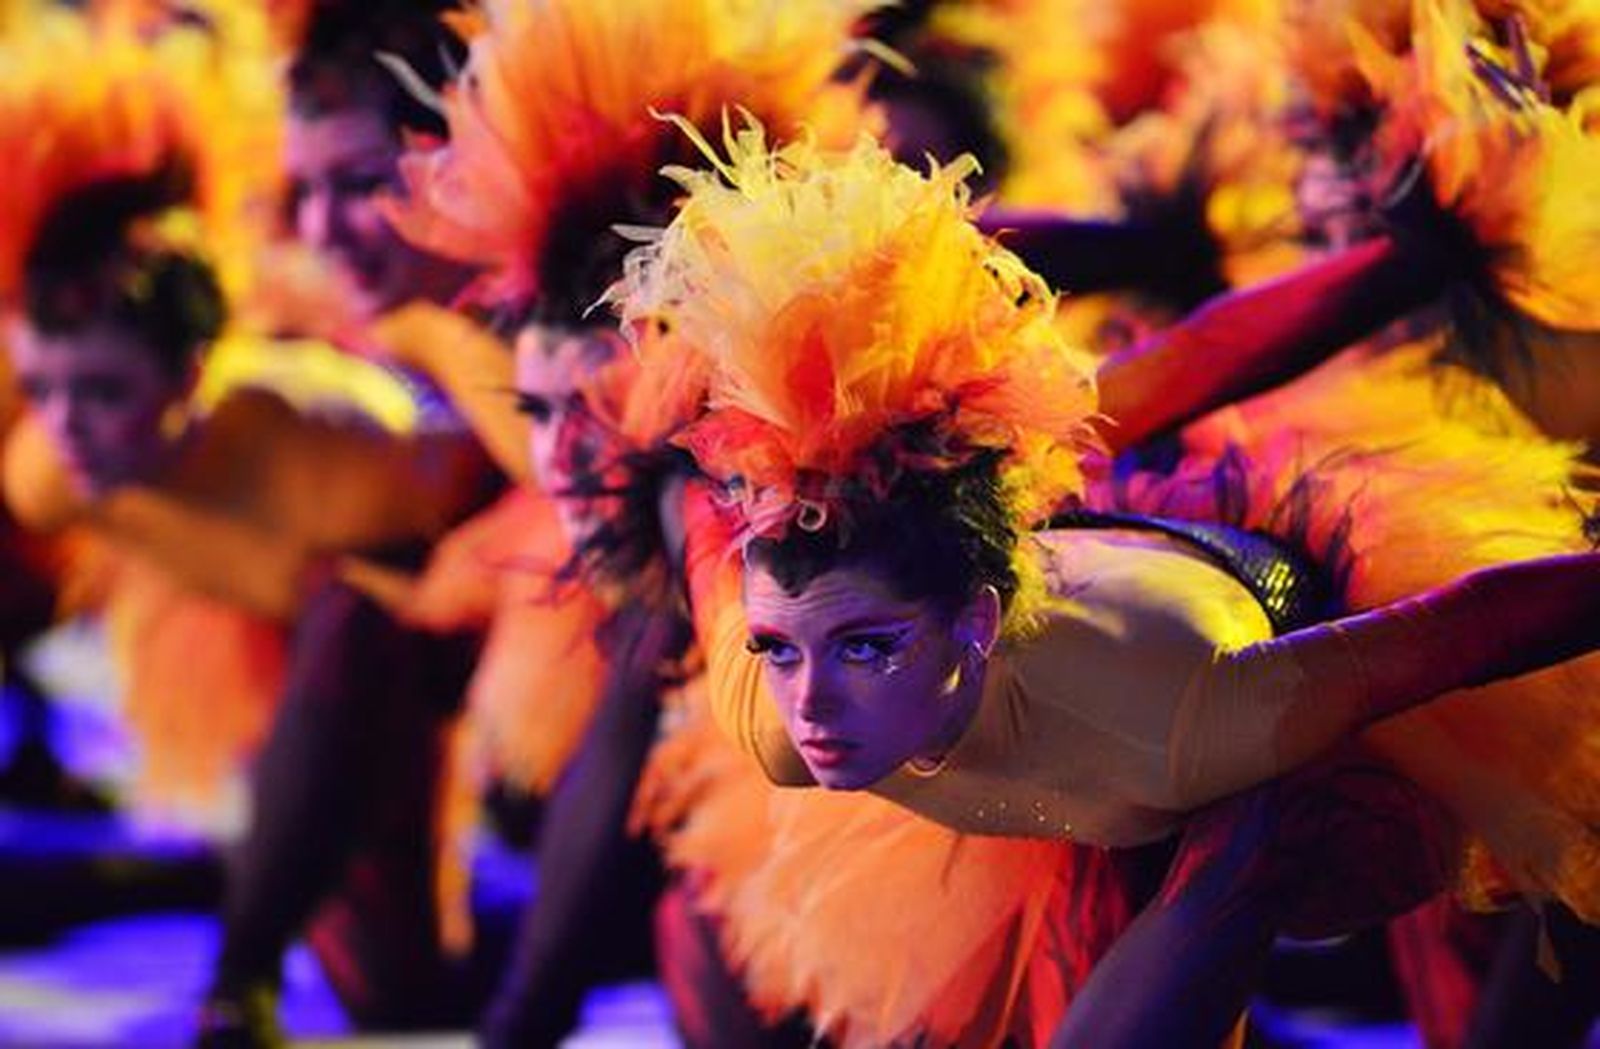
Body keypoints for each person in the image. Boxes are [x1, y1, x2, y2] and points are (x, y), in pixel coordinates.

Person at [607, 122, 1600, 1045]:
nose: (811, 705)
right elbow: (692, 510)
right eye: (779, 648)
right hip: (1051, 607)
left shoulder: (1186, 722)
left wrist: (1405, 263)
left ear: (976, 622)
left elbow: (1469, 627)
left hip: (1248, 648)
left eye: (865, 648)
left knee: (1244, 850)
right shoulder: (774, 706)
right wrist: (657, 438)